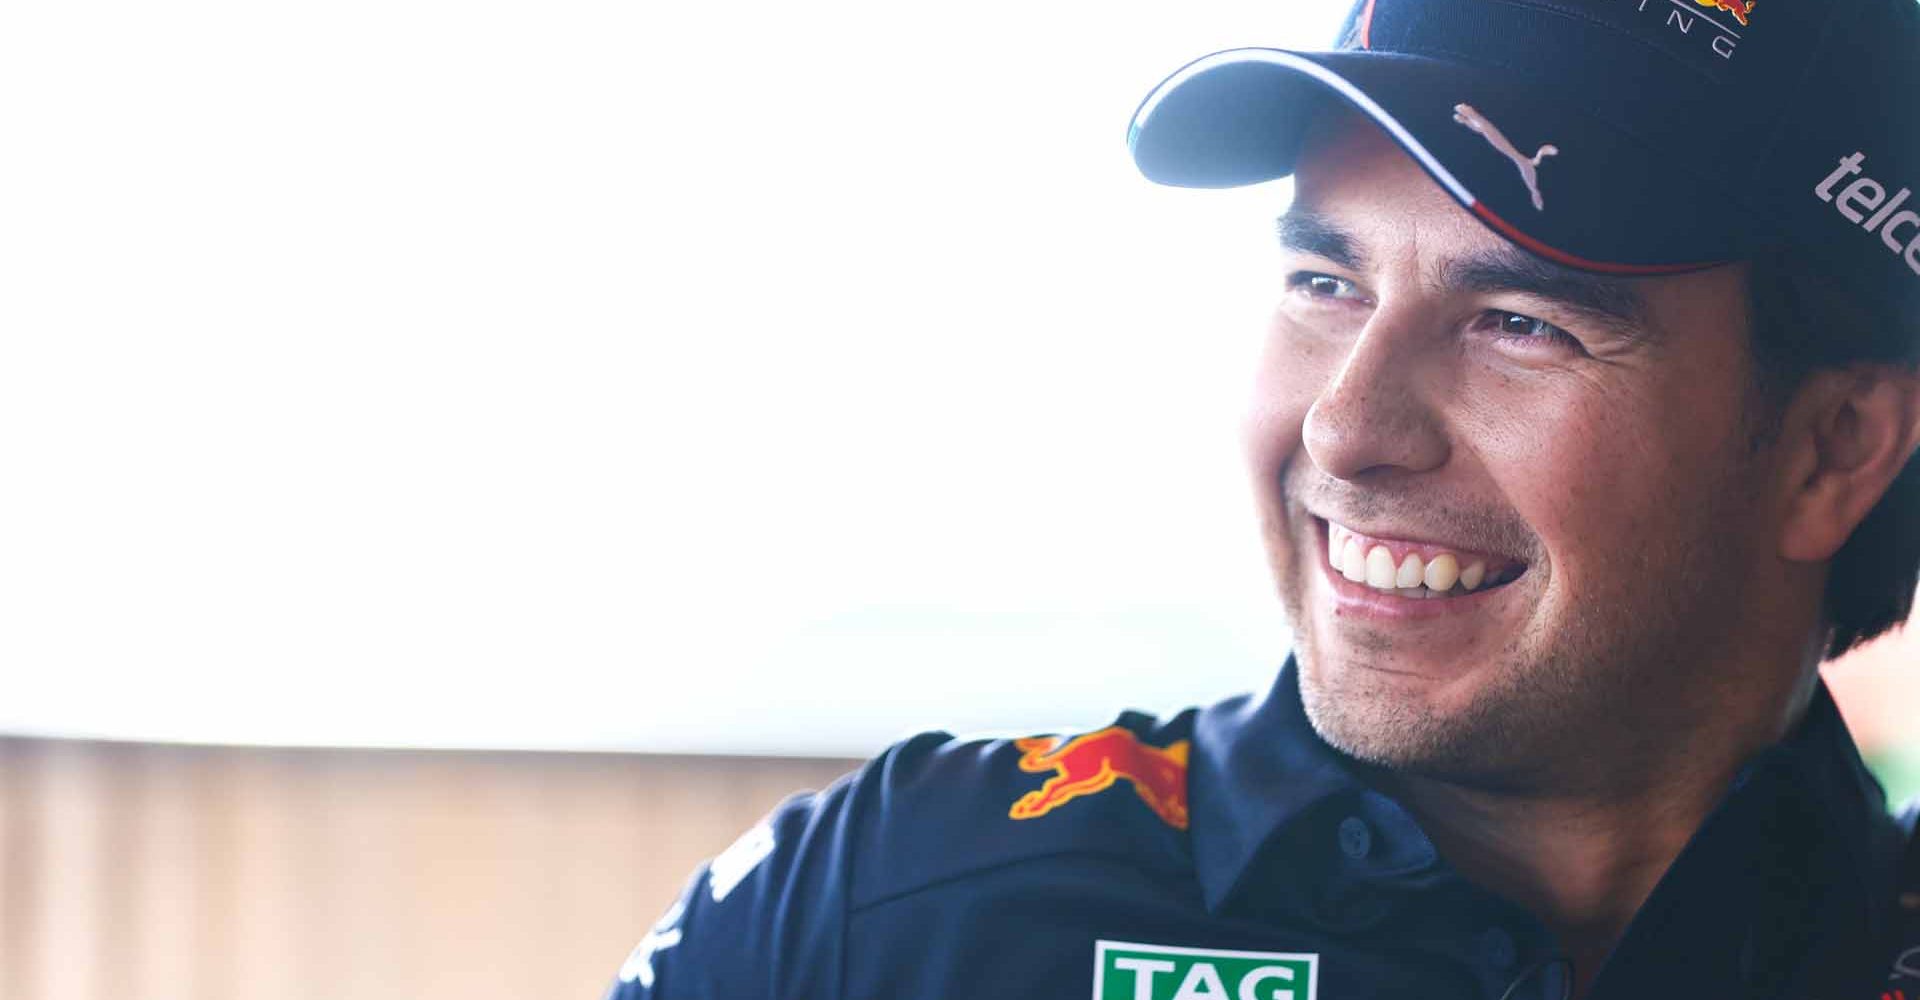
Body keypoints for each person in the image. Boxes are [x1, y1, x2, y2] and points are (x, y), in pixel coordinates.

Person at [602, 0, 1920, 995]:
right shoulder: (892, 911)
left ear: (1832, 447)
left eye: (1522, 322)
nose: (1346, 427)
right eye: (1324, 284)